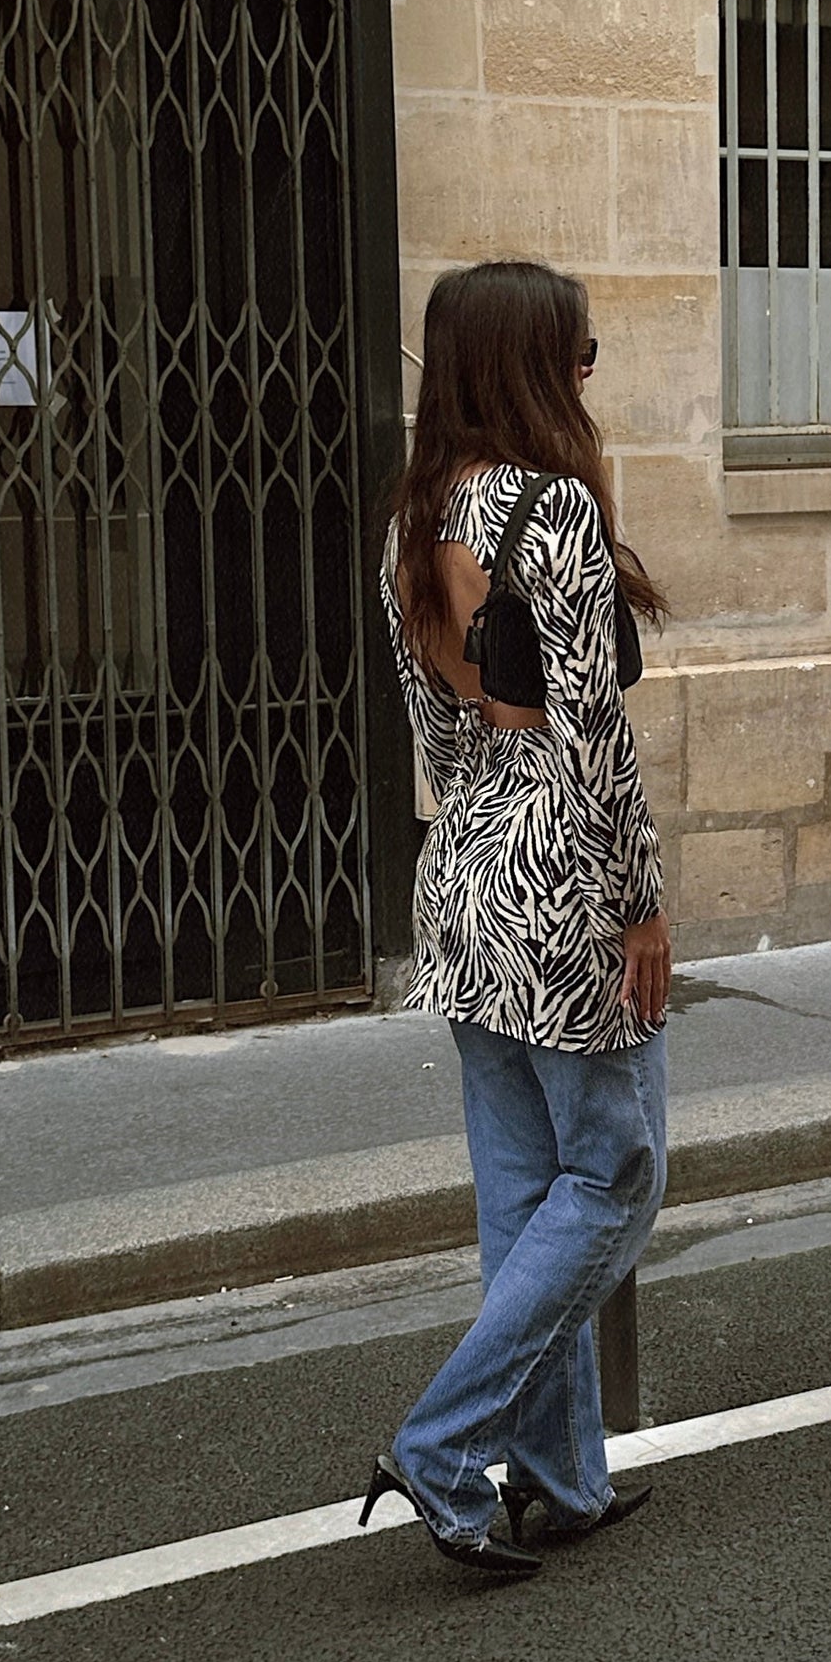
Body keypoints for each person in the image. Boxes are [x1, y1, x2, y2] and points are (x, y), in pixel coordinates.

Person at [358, 259, 672, 1576]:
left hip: (466, 872)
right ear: (538, 368)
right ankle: (442, 1447)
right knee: (615, 1175)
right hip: (564, 881)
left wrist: (492, 818)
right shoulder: (554, 512)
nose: (591, 371)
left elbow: (438, 731)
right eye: (580, 351)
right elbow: (593, 729)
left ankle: (558, 1474)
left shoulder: (413, 518)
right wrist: (638, 905)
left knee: (523, 1191)